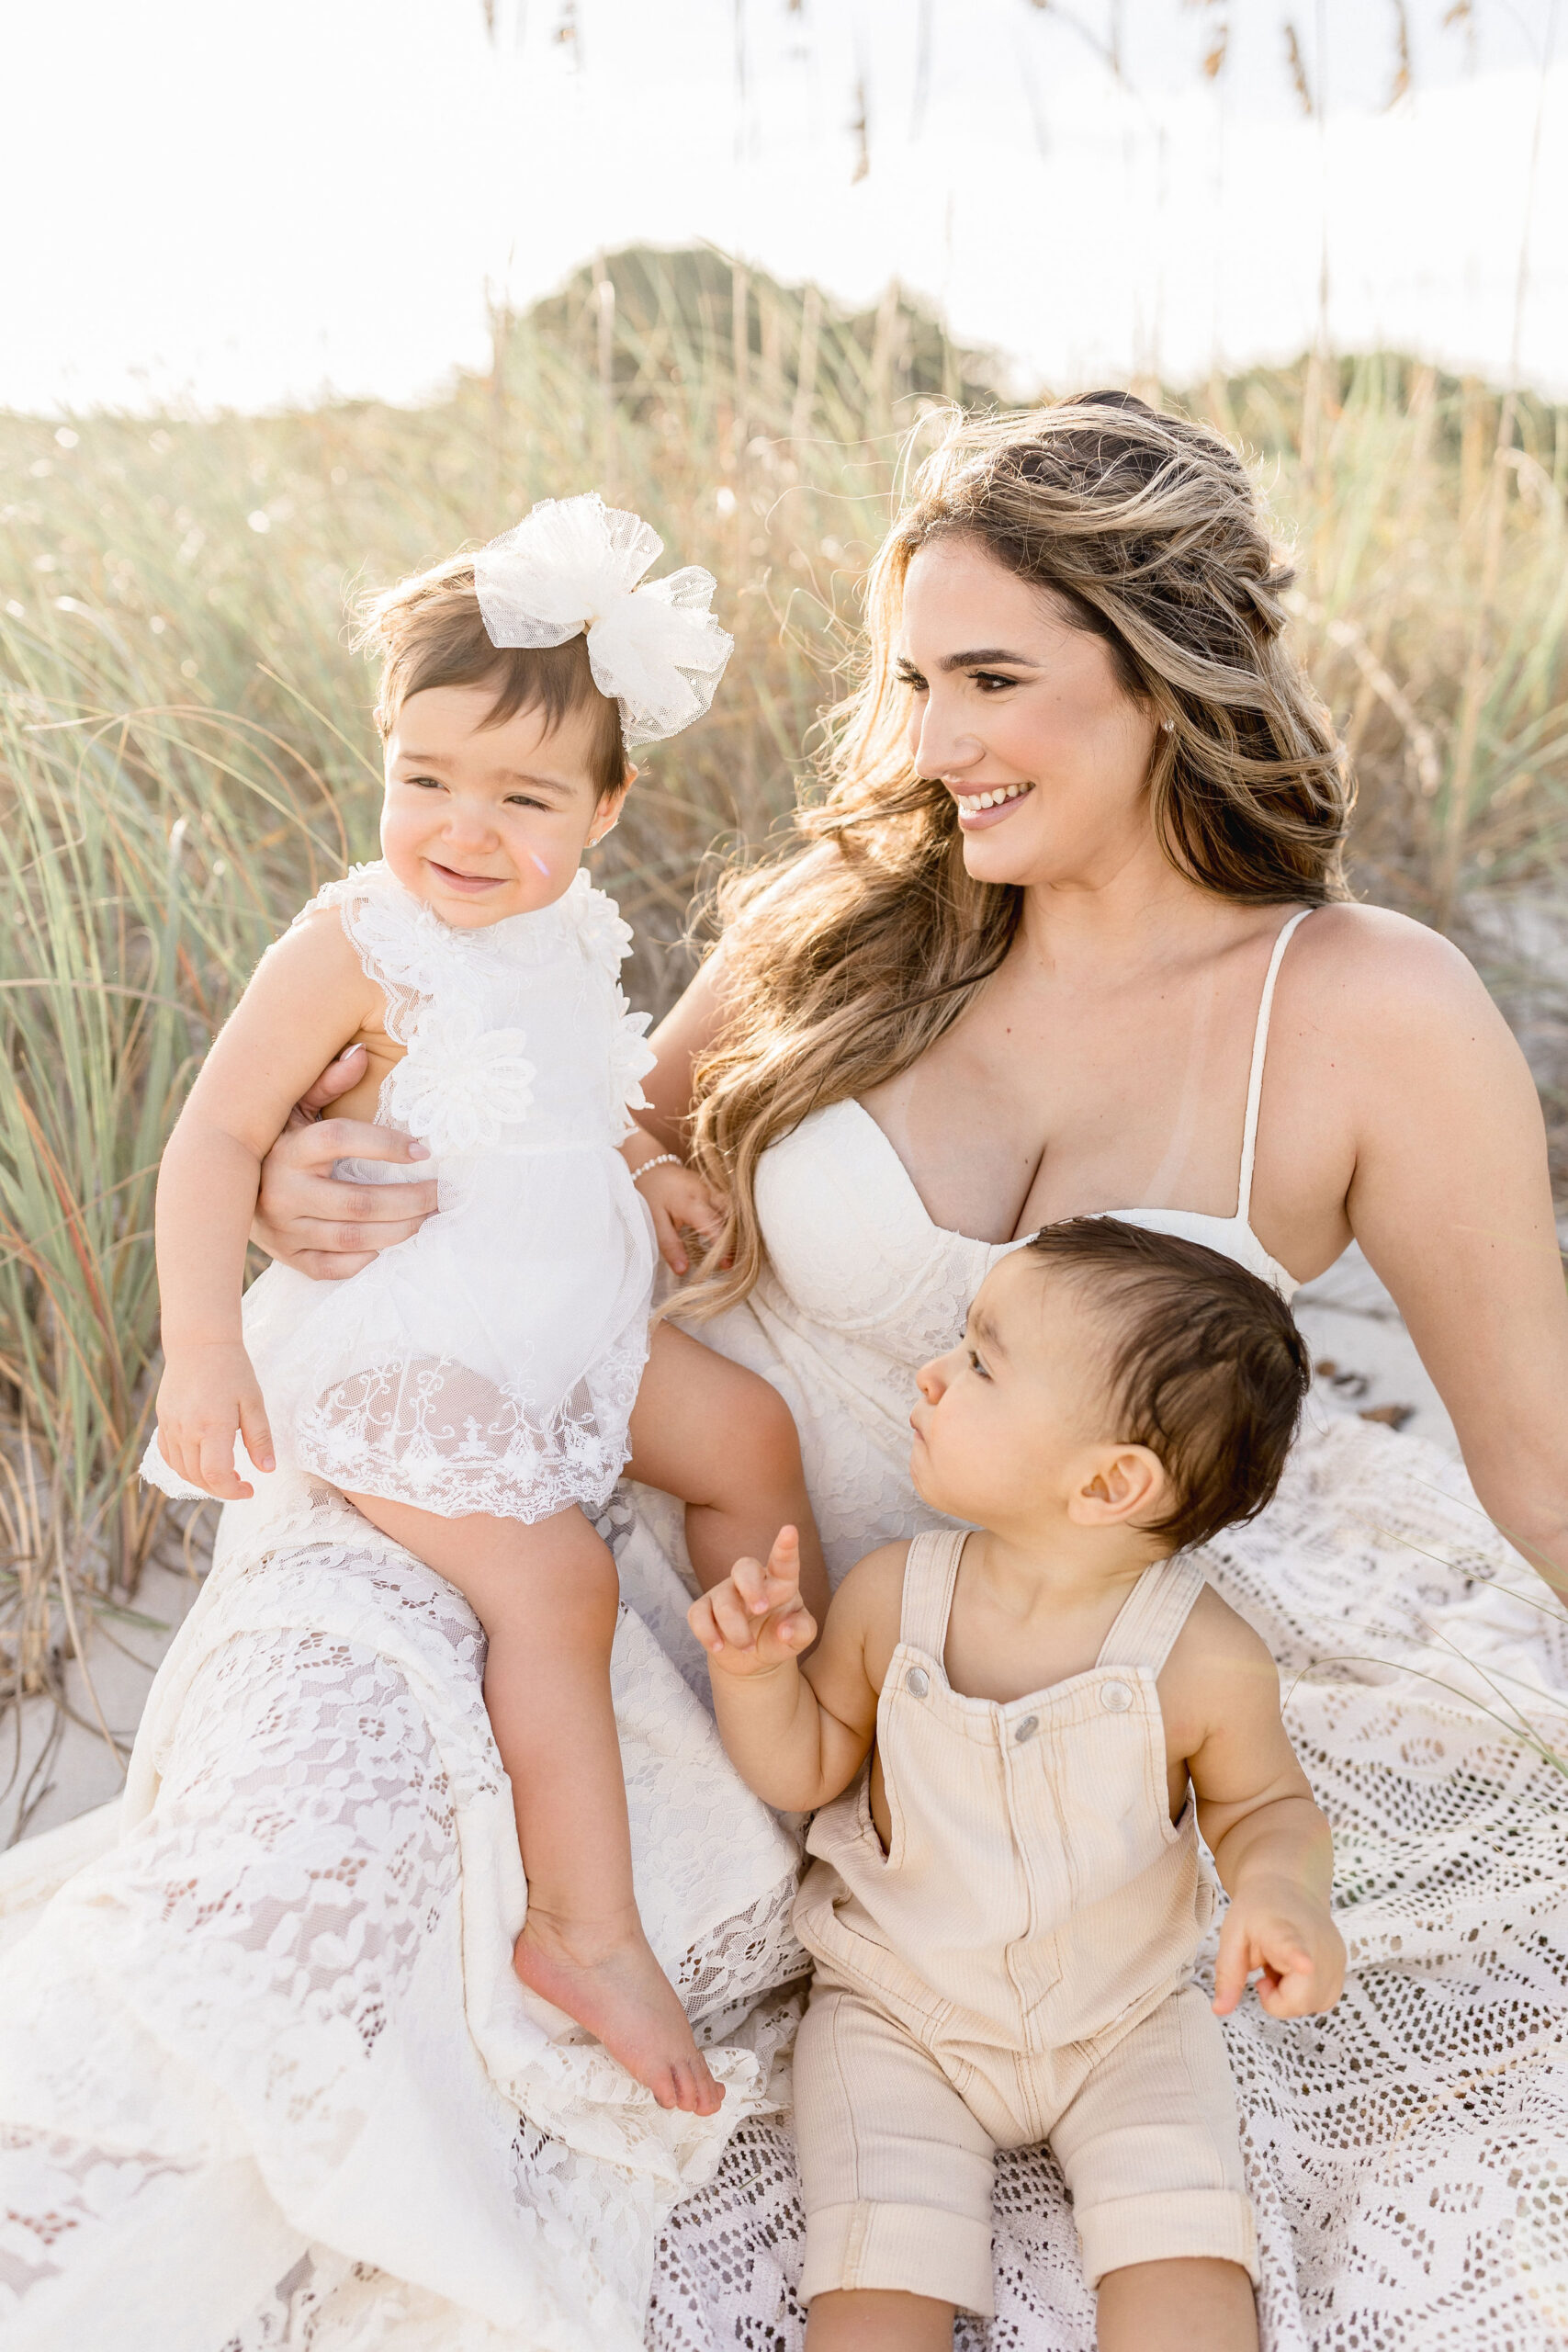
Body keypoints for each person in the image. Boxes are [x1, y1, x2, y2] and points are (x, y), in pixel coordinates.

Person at [4, 393, 1565, 2352]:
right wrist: (320, 1176)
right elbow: (572, 1164)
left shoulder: (1364, 1011)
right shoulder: (845, 928)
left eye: (990, 676)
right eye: (911, 678)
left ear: (1169, 672)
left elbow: (1539, 1465)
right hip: (644, 1578)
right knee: (289, 1927)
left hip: (1025, 1680)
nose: (928, 741)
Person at [143, 489, 828, 2115]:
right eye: (424, 779)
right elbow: (217, 1134)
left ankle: (779, 1750)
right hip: (416, 1351)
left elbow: (564, 1096)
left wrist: (643, 1172)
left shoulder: (564, 928)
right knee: (555, 1586)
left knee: (743, 1432)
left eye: (522, 795)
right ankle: (586, 1932)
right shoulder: (358, 938)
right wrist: (200, 1344)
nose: (462, 826)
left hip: (557, 1320)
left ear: (606, 810)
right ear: (383, 758)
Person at [693, 1220, 1346, 2352]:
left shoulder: (1202, 1656)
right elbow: (807, 1771)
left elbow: (1266, 1806)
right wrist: (755, 1677)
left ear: (1107, 1482)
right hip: (900, 2013)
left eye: (983, 1362)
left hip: (1125, 2018)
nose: (934, 1374)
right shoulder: (895, 1598)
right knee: (876, 2260)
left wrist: (1282, 1895)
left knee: (1185, 2246)